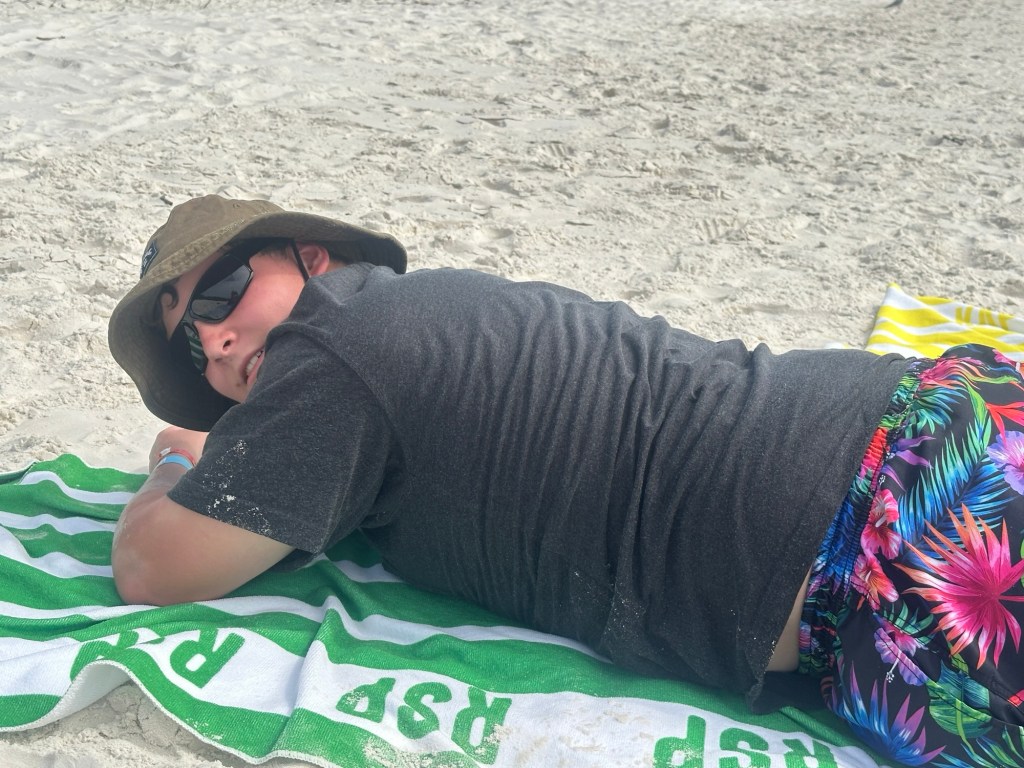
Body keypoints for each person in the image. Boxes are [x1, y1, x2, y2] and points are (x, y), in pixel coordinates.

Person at [108, 194, 1024, 766]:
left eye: (221, 294)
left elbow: (154, 568)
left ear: (312, 259)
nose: (215, 341)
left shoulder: (332, 350)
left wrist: (176, 457)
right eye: (192, 346)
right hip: (934, 428)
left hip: (906, 525)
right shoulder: (399, 326)